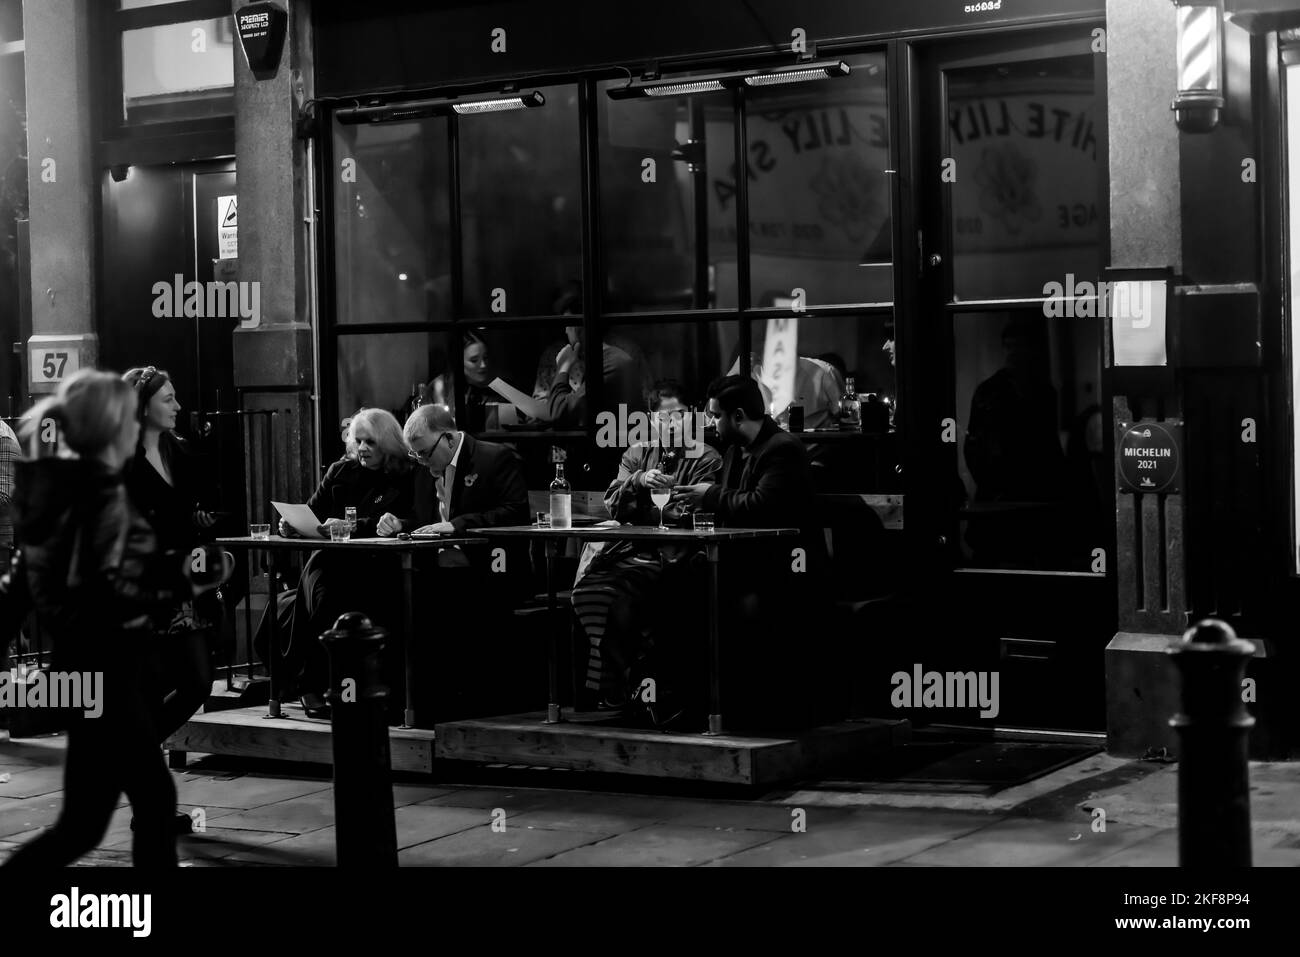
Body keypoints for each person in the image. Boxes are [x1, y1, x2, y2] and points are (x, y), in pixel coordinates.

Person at [2, 370, 223, 869]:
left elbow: (21, 591)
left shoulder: (71, 489)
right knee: (139, 803)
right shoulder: (92, 496)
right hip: (106, 671)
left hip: (98, 674)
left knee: (85, 825)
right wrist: (180, 582)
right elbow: (106, 588)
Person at [670, 375, 827, 729]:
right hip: (742, 563)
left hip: (782, 569)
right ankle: (698, 704)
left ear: (737, 415)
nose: (710, 423)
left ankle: (734, 711)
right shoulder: (734, 452)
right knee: (674, 585)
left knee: (709, 598)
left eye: (714, 416)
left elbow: (762, 506)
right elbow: (730, 508)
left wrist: (708, 496)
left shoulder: (782, 448)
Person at [571, 382, 721, 720]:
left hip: (677, 554)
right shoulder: (637, 453)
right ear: (651, 420)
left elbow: (688, 513)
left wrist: (643, 509)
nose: (672, 424)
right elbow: (613, 505)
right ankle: (618, 683)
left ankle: (618, 689)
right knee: (587, 592)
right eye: (664, 416)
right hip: (630, 549)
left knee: (623, 601)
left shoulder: (706, 456)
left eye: (679, 415)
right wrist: (638, 481)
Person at [121, 366, 222, 835]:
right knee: (146, 691)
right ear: (143, 405)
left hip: (184, 586)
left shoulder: (179, 451)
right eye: (168, 398)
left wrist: (199, 519)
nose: (178, 406)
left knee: (197, 683)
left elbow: (189, 511)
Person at [383, 404, 529, 721]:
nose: (421, 462)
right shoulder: (425, 470)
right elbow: (425, 520)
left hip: (489, 569)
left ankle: (461, 708)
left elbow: (515, 513)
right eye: (415, 456)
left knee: (450, 610)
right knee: (388, 600)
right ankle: (412, 706)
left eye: (424, 453)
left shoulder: (496, 458)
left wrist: (457, 525)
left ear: (448, 438)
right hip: (435, 570)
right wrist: (400, 524)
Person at [274, 408, 415, 716]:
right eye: (359, 441)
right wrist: (292, 526)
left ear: (388, 444)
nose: (362, 448)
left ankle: (347, 685)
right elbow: (312, 511)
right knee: (323, 595)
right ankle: (310, 684)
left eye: (371, 443)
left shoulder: (404, 476)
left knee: (351, 598)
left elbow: (403, 519)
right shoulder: (340, 470)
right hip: (330, 558)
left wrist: (354, 526)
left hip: (376, 561)